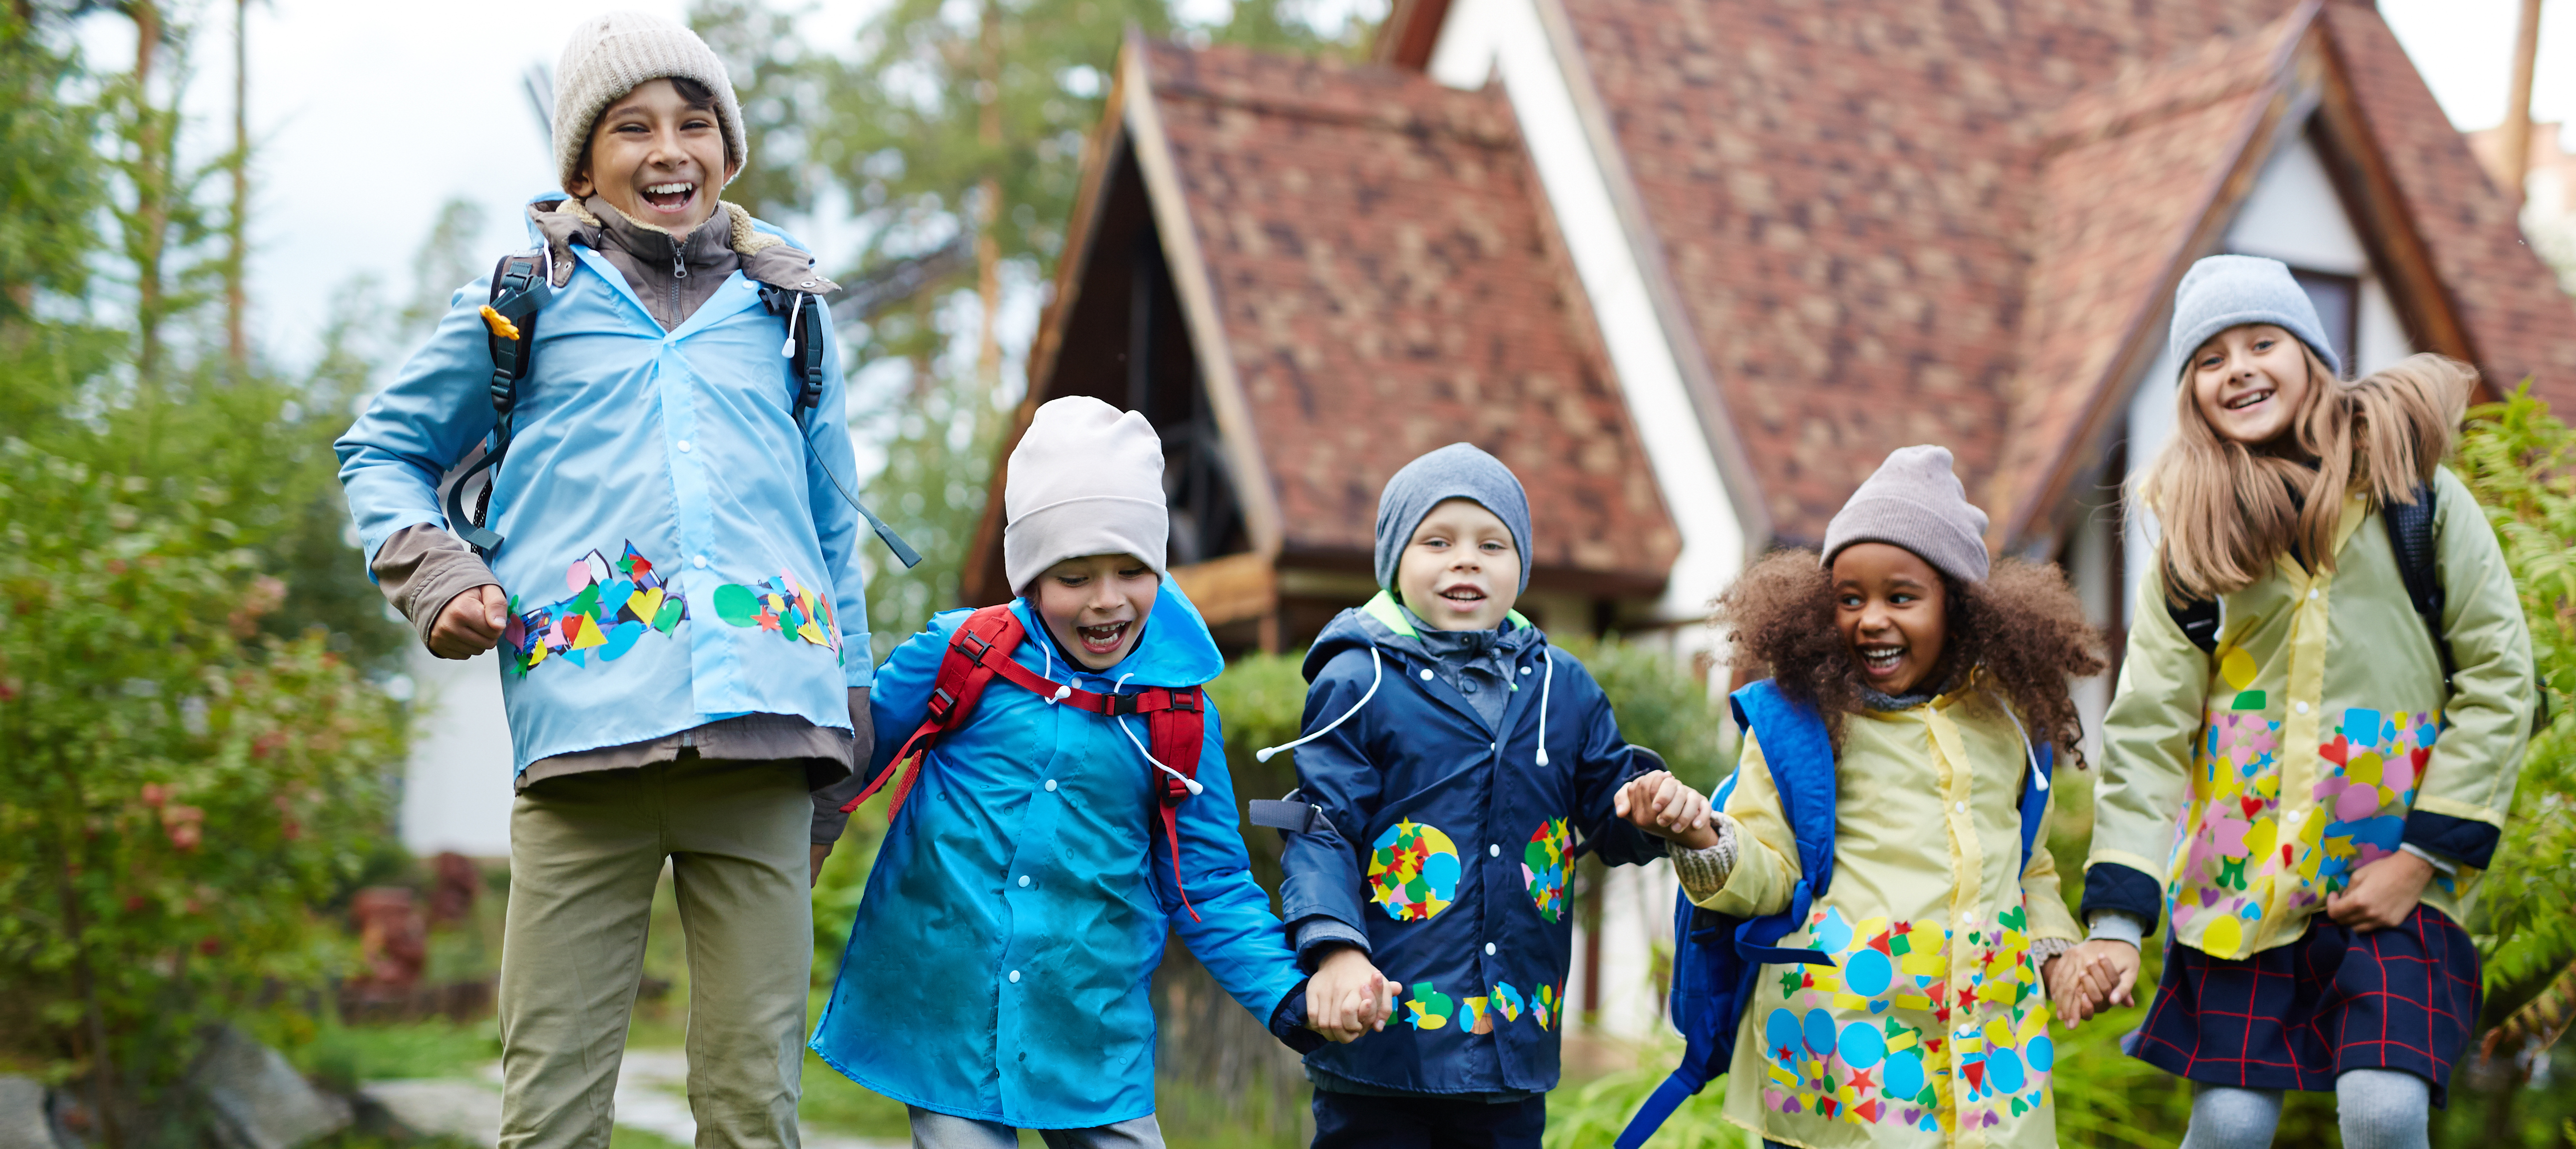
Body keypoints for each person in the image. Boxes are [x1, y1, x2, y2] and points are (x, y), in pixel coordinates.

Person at [335, 12, 869, 1147]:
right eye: (632, 127)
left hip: (770, 743)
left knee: (752, 1107)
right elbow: (380, 448)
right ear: (582, 163)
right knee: (551, 1112)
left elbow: (833, 532)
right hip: (583, 750)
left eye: (694, 122)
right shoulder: (525, 300)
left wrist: (851, 716)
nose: (667, 148)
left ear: (727, 149)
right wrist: (437, 571)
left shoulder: (787, 318)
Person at [2060, 256, 2536, 1149]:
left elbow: (2500, 678)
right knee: (2231, 1125)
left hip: (2391, 878)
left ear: (2311, 354)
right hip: (2242, 889)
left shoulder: (2419, 504)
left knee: (2384, 1108)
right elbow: (2148, 733)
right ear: (2192, 396)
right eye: (2209, 358)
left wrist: (2423, 859)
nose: (2237, 367)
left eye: (2261, 342)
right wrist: (2118, 920)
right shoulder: (2193, 549)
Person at [811, 397, 1361, 1148]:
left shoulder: (1178, 716)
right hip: (942, 1012)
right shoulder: (964, 655)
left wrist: (1285, 997)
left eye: (1132, 570)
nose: (1107, 600)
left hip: (1089, 1026)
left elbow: (1208, 881)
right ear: (1030, 577)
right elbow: (845, 758)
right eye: (1074, 575)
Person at [1618, 445, 2107, 1146]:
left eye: (1899, 596)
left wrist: (2059, 955)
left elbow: (2025, 866)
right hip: (1844, 1057)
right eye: (1850, 598)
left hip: (1991, 1050)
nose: (1869, 618)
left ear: (1959, 605)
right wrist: (1703, 838)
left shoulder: (2004, 721)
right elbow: (1771, 870)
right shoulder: (1800, 723)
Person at [1262, 443, 1673, 1149]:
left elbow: (1611, 806)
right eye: (1437, 541)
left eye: (1492, 543)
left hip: (1510, 1048)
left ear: (1521, 566)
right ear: (1394, 559)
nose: (1466, 560)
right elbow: (1320, 826)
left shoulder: (1561, 687)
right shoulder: (1358, 680)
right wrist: (1335, 952)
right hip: (1383, 1046)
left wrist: (1651, 809)